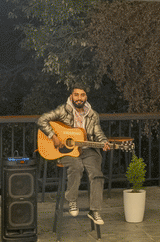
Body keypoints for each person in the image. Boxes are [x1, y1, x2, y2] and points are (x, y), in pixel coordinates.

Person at [37, 86, 107, 225]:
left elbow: (98, 133)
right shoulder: (63, 110)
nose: (79, 98)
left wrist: (104, 142)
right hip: (66, 150)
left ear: (86, 97)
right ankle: (72, 200)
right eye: (76, 95)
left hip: (87, 150)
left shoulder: (93, 115)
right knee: (76, 166)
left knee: (97, 174)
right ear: (71, 96)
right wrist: (53, 136)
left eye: (82, 95)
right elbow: (42, 120)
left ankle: (95, 211)